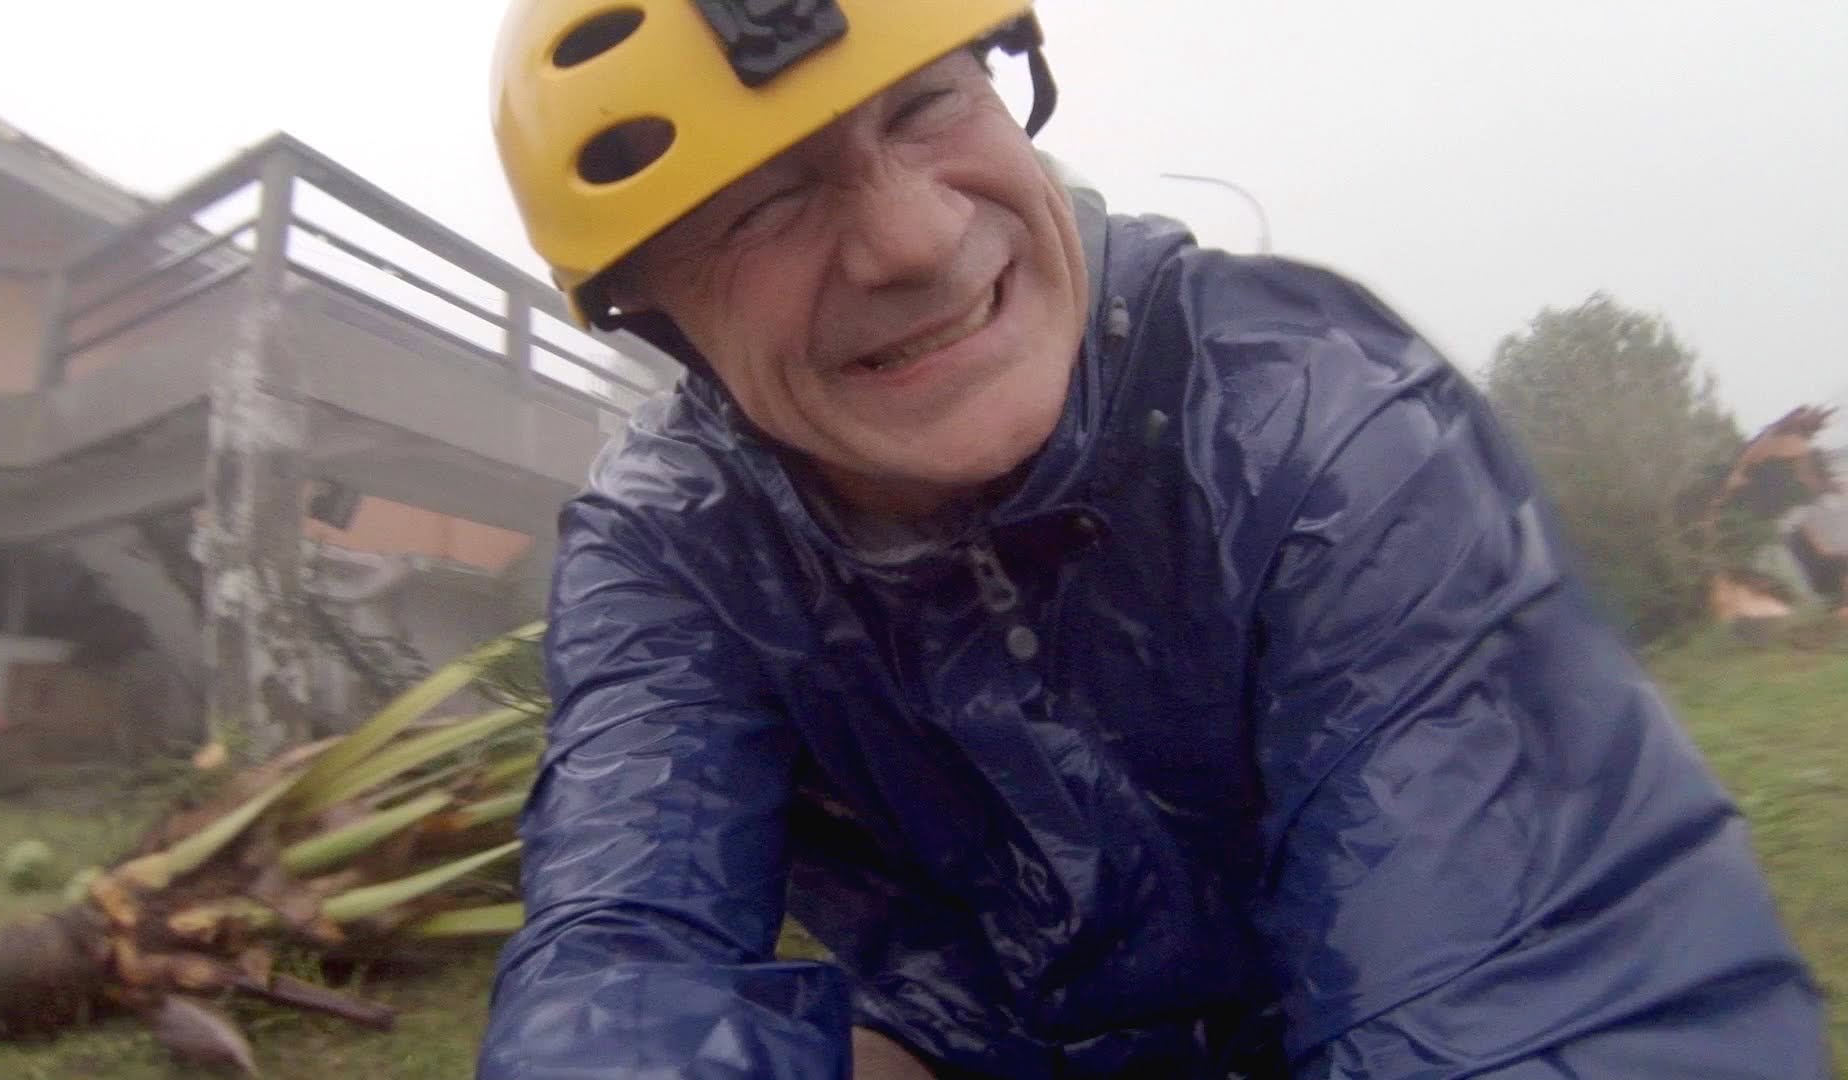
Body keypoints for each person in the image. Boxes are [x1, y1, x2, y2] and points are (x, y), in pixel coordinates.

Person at [477, 1, 1826, 1076]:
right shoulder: (679, 543)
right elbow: (629, 954)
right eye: (762, 203)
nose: (915, 239)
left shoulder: (1309, 410)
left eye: (927, 103)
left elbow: (1522, 988)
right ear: (656, 316)